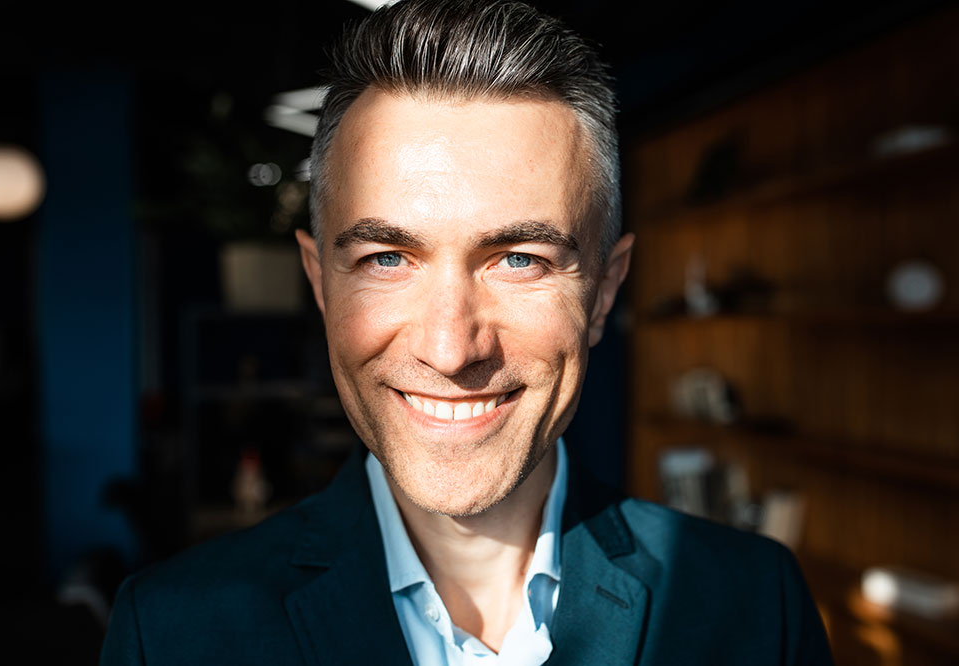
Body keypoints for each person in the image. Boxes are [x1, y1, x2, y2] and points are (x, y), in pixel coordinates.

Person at [100, 1, 834, 664]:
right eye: (388, 258)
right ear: (320, 284)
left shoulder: (753, 607)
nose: (451, 350)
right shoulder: (171, 635)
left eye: (520, 259)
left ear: (605, 290)